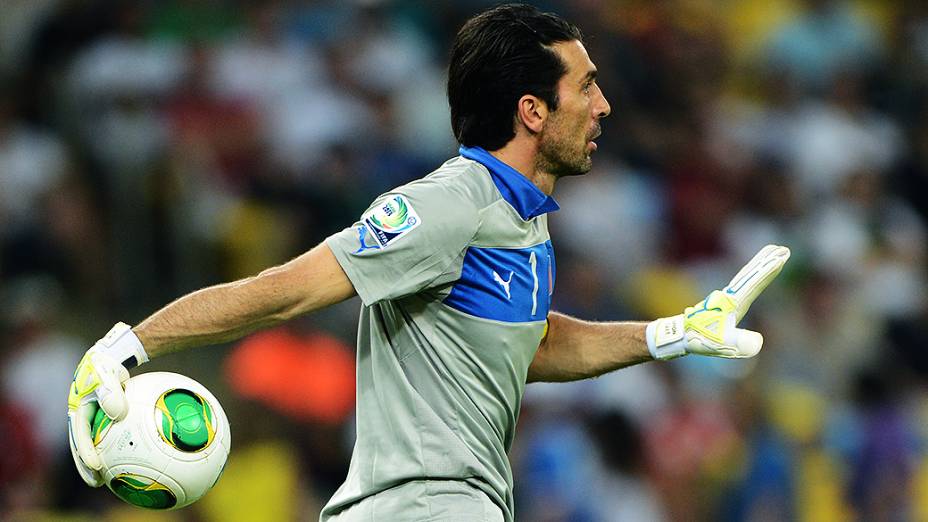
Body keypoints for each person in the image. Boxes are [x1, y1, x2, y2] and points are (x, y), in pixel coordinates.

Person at [67, 4, 790, 521]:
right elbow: (284, 292)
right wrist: (131, 344)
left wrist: (671, 334)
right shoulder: (450, 203)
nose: (604, 105)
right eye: (586, 85)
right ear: (533, 111)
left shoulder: (520, 224)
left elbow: (530, 346)